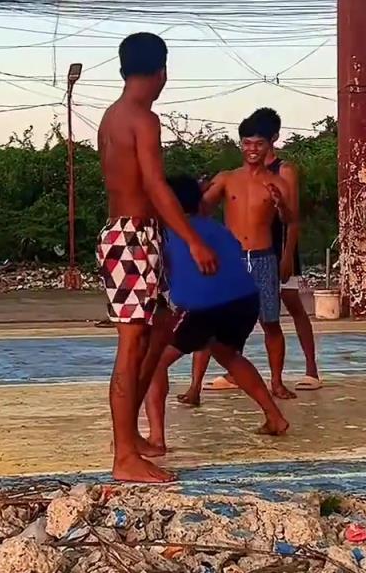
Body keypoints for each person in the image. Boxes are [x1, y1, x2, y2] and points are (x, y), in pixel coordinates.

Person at [96, 32, 218, 484]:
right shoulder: (142, 120)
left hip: (133, 235)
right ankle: (124, 455)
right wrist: (193, 239)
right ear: (162, 71)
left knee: (161, 326)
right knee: (131, 346)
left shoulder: (112, 117)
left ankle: (130, 438)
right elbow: (155, 187)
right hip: (131, 238)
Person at [179, 107, 321, 405]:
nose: (252, 149)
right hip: (231, 259)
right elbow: (199, 209)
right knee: (209, 320)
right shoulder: (227, 178)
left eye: (258, 144)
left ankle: (277, 382)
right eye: (247, 143)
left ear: (269, 145)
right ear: (240, 144)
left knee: (270, 321)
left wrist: (282, 218)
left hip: (262, 257)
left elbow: (290, 218)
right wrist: (197, 195)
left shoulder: (278, 180)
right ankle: (194, 388)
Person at [144, 175, 289, 449]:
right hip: (245, 301)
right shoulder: (216, 228)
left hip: (204, 307)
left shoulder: (167, 232)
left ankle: (157, 437)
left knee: (153, 363)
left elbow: (162, 274)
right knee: (228, 354)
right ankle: (275, 417)